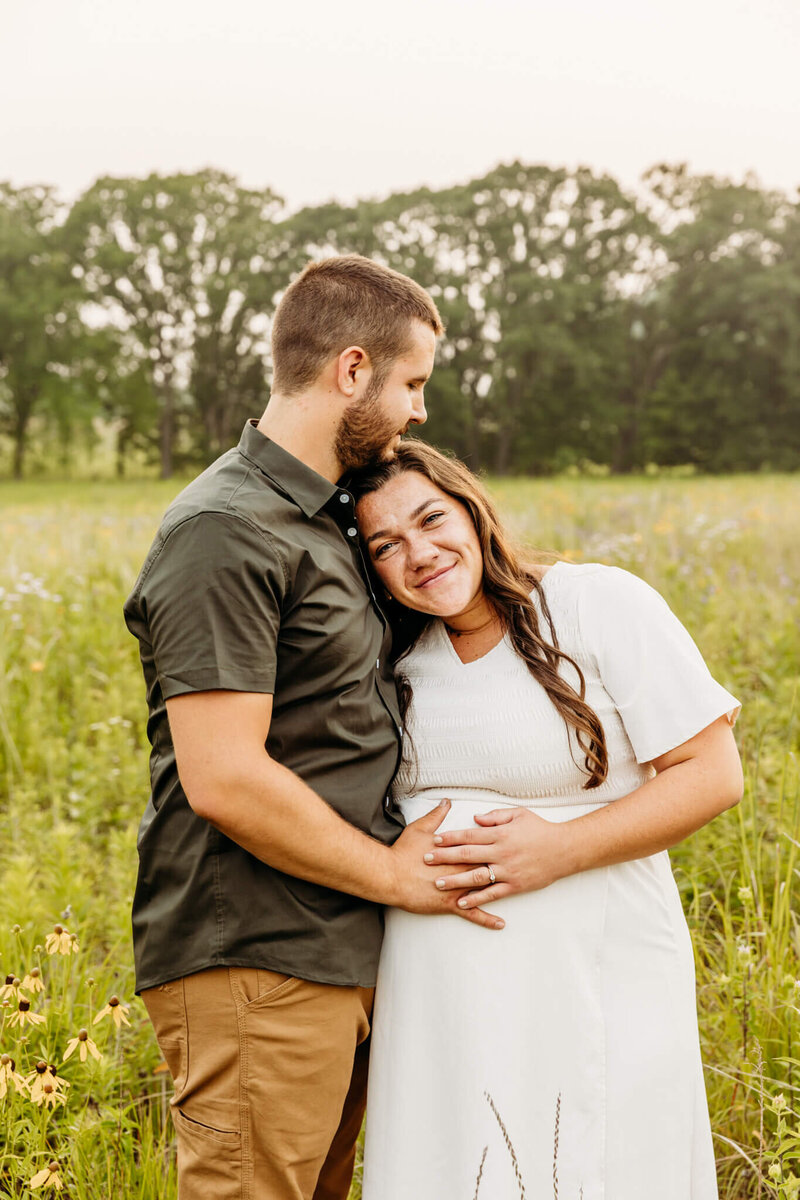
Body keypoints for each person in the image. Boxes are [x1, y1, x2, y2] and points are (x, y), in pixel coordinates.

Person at [123, 256, 501, 1200]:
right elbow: (223, 777)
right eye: (412, 383)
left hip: (335, 953)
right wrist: (394, 876)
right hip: (257, 954)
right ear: (352, 369)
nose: (418, 411)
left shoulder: (328, 522)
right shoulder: (226, 530)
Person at [351, 440, 743, 1200]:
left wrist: (560, 850)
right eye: (386, 546)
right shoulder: (394, 656)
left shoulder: (595, 602)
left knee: (600, 1157)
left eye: (432, 519)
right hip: (441, 998)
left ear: (471, 506)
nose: (421, 553)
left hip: (594, 962)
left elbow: (713, 773)